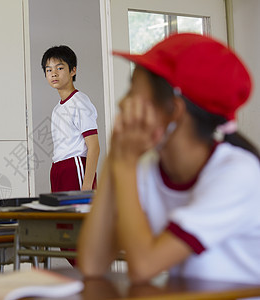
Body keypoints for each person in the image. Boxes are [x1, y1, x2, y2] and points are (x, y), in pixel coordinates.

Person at [77, 33, 260, 284]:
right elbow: (92, 264)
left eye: (132, 90)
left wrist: (125, 164)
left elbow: (143, 267)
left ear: (174, 110)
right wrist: (116, 156)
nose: (122, 103)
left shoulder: (238, 173)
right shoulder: (148, 167)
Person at [41, 45, 100, 192]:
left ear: (73, 70)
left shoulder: (80, 102)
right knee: (61, 215)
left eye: (59, 68)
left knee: (79, 214)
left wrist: (87, 184)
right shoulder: (57, 109)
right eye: (49, 70)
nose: (53, 73)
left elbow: (94, 147)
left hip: (75, 167)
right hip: (58, 168)